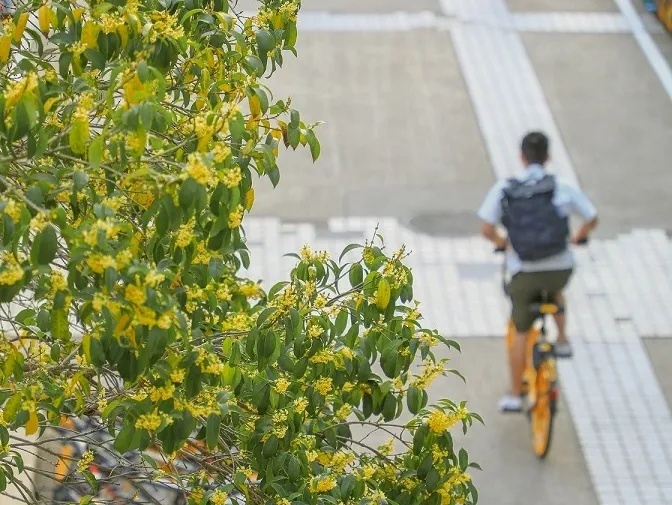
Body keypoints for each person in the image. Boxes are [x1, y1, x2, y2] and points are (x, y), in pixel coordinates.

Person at [477, 131, 598, 412]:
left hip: (524, 270)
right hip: (561, 267)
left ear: (521, 157)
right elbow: (592, 218)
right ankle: (563, 340)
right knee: (556, 290)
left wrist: (503, 243)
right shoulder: (562, 186)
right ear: (548, 157)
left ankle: (514, 395)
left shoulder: (505, 188)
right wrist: (579, 236)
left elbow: (486, 228)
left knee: (521, 326)